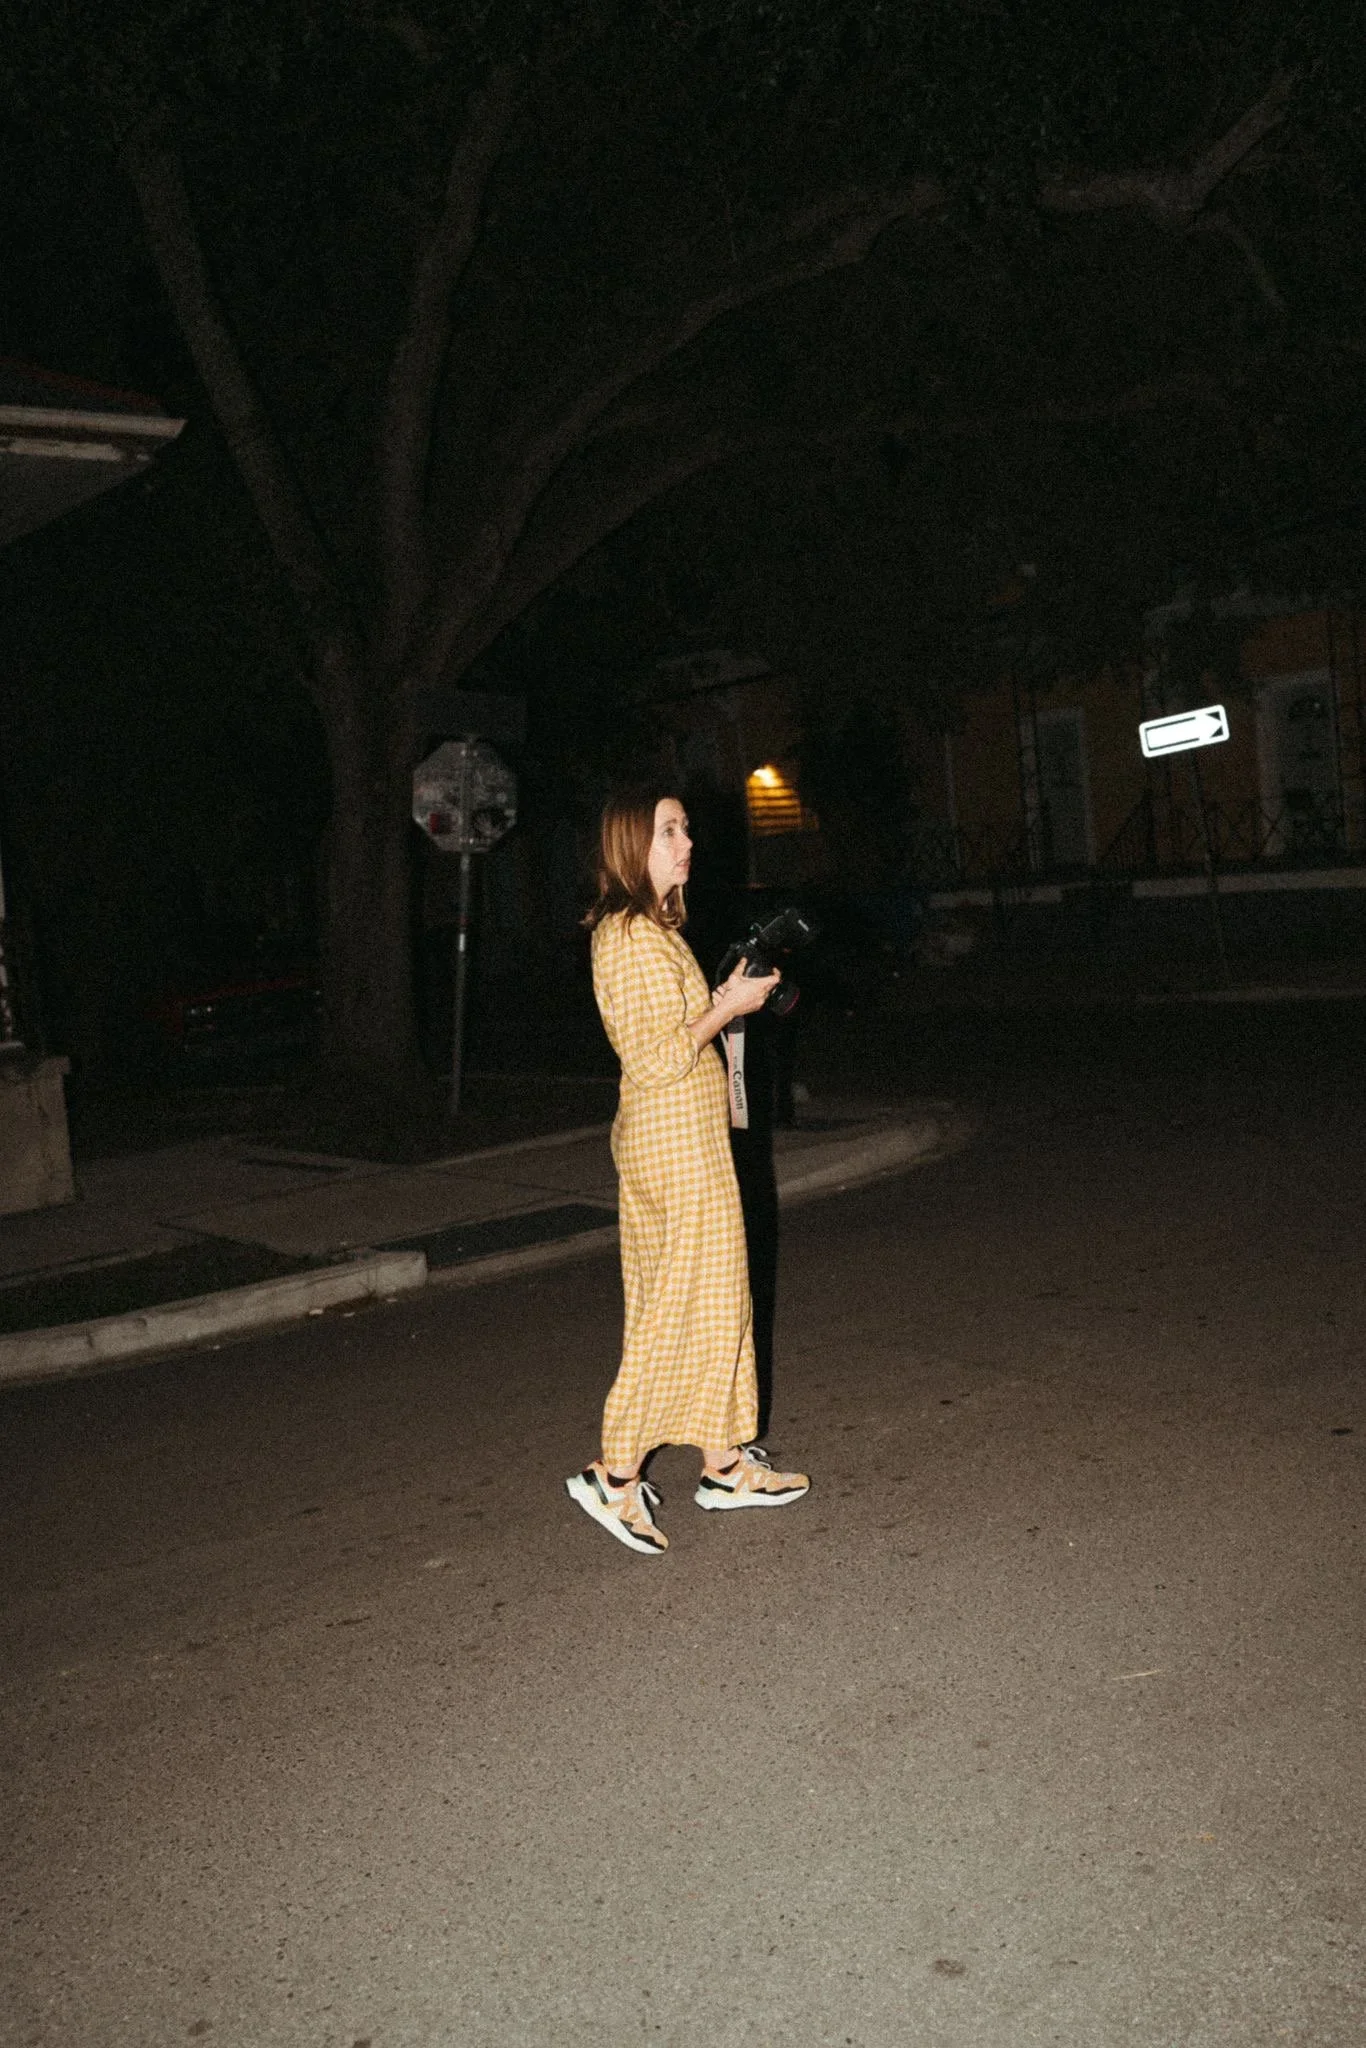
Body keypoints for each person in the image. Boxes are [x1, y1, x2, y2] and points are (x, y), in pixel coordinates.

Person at [566, 787, 810, 1556]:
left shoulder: (651, 932)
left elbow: (673, 1030)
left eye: (686, 828)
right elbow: (657, 1056)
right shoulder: (630, 934)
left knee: (714, 1298)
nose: (687, 842)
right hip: (670, 1148)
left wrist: (726, 998)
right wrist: (726, 1006)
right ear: (633, 845)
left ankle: (725, 1464)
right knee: (676, 1305)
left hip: (684, 1142)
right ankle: (612, 1477)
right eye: (669, 830)